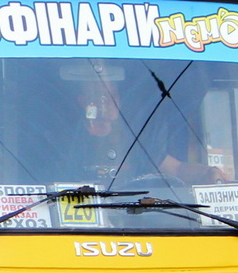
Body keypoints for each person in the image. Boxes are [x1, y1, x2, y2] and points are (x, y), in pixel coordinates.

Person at [70, 63, 226, 186]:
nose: (108, 103)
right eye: (100, 96)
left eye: (113, 96)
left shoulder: (135, 139)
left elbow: (176, 169)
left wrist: (208, 173)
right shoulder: (69, 139)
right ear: (83, 101)